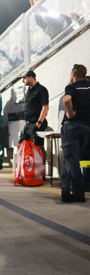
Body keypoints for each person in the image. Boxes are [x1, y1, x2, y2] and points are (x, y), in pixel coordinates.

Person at [61, 64, 90, 202]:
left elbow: (66, 100)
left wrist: (70, 113)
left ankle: (78, 194)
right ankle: (65, 189)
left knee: (71, 160)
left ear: (73, 73)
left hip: (72, 127)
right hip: (86, 128)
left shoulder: (71, 87)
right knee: (74, 159)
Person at [19, 70, 49, 163]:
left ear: (31, 77)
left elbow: (45, 107)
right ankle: (26, 169)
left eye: (24, 78)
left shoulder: (41, 90)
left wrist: (39, 123)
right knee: (20, 144)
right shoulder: (29, 90)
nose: (23, 81)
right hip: (28, 124)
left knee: (39, 147)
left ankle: (41, 171)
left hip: (37, 123)